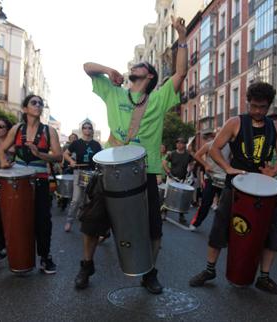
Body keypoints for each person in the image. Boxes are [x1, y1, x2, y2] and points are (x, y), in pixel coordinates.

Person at [75, 16, 188, 294]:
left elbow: (181, 74)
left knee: (153, 230)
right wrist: (109, 69)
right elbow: (87, 67)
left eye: (137, 67)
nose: (131, 69)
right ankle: (86, 265)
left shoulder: (160, 98)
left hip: (145, 173)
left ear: (148, 75)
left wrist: (182, 39)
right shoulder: (114, 93)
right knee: (92, 222)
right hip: (110, 171)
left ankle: (149, 273)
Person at [189, 82, 277, 295]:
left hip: (265, 189)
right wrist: (228, 168)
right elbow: (214, 148)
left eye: (262, 107)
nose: (258, 111)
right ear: (247, 103)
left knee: (271, 233)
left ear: (269, 105)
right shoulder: (235, 122)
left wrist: (274, 172)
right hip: (235, 186)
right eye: (253, 106)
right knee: (220, 229)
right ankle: (209, 270)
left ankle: (264, 277)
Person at [0, 94, 62, 273]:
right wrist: (3, 162)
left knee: (42, 219)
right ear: (25, 109)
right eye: (34, 103)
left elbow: (59, 156)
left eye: (41, 103)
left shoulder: (49, 131)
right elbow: (2, 149)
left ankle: (45, 256)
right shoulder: (17, 129)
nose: (38, 105)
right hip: (16, 177)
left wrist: (41, 155)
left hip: (39, 178)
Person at [63, 122, 101, 232]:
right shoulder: (76, 143)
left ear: (92, 130)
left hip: (92, 173)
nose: (87, 130)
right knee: (76, 199)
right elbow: (65, 154)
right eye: (85, 128)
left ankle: (86, 221)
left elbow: (100, 158)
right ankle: (69, 221)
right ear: (82, 130)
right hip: (79, 172)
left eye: (90, 128)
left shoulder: (96, 144)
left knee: (89, 200)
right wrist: (71, 161)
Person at [189, 132, 230, 231]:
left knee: (226, 206)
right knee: (205, 203)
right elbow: (197, 155)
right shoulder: (209, 144)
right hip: (211, 178)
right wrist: (206, 165)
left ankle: (226, 230)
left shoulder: (230, 145)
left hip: (225, 179)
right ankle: (195, 223)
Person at [162, 137, 194, 224]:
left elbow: (191, 164)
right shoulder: (171, 154)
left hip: (182, 179)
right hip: (172, 178)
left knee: (182, 198)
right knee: (168, 196)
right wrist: (169, 172)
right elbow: (164, 163)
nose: (179, 144)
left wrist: (189, 171)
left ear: (184, 145)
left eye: (181, 143)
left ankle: (181, 216)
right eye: (177, 143)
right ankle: (164, 212)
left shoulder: (188, 155)